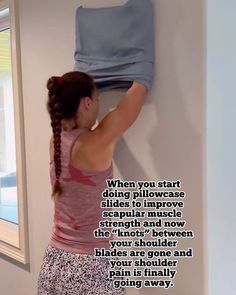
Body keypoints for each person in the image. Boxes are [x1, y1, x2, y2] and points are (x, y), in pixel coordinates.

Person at [37, 71, 147, 294]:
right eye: (97, 99)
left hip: (53, 263)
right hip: (91, 268)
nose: (99, 104)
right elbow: (139, 90)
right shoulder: (96, 143)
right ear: (87, 103)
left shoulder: (55, 141)